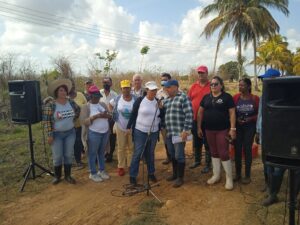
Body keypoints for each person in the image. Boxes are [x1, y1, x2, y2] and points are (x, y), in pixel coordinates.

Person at [198, 76, 236, 190]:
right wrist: (199, 127)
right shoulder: (206, 98)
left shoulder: (227, 97)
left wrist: (233, 129)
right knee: (213, 152)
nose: (213, 86)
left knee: (223, 153)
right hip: (209, 129)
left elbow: (232, 113)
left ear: (221, 85)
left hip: (222, 129)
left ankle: (229, 178)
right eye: (212, 84)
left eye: (216, 84)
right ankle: (216, 175)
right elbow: (200, 113)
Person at [43, 78, 80, 185]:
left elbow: (78, 110)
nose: (63, 92)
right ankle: (58, 176)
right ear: (56, 93)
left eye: (64, 90)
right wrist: (50, 135)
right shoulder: (51, 105)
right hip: (57, 135)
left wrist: (73, 120)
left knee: (68, 154)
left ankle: (68, 176)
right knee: (58, 155)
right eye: (60, 90)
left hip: (70, 133)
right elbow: (46, 121)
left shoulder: (71, 103)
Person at [127, 81, 164, 185]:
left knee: (150, 153)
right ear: (146, 90)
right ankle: (133, 175)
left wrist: (162, 109)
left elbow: (161, 116)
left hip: (153, 132)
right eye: (151, 90)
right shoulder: (140, 100)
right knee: (138, 153)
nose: (153, 92)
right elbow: (133, 114)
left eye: (155, 90)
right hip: (140, 131)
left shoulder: (157, 101)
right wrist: (129, 126)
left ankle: (151, 173)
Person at [163, 79, 193, 188]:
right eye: (166, 88)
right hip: (170, 133)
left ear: (175, 87)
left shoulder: (183, 98)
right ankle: (175, 174)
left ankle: (180, 178)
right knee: (171, 154)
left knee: (179, 155)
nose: (166, 90)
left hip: (180, 133)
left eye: (168, 87)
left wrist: (186, 130)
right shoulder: (166, 100)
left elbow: (189, 114)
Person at [80, 85, 111, 182]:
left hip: (105, 132)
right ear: (91, 96)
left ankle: (101, 170)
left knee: (101, 152)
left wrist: (106, 115)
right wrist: (96, 116)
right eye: (96, 97)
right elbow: (84, 121)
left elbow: (110, 115)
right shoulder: (86, 107)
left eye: (98, 96)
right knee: (92, 153)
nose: (98, 98)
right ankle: (93, 173)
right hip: (93, 133)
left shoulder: (102, 104)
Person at [233, 78, 259, 184]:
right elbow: (231, 112)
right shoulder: (235, 98)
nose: (240, 87)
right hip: (238, 127)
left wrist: (250, 119)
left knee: (247, 149)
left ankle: (247, 175)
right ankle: (238, 174)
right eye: (239, 85)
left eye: (242, 85)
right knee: (237, 150)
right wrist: (236, 119)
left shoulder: (255, 98)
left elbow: (259, 114)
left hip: (250, 127)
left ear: (248, 86)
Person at [110, 80, 137, 176]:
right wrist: (113, 114)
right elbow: (110, 104)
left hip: (132, 127)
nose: (126, 90)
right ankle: (121, 166)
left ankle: (130, 165)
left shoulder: (135, 99)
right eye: (124, 88)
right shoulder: (117, 99)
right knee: (121, 148)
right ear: (121, 89)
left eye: (127, 88)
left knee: (131, 147)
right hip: (120, 126)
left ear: (130, 88)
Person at [188, 65, 211, 173]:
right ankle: (197, 160)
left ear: (207, 74)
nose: (200, 75)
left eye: (202, 73)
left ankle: (208, 164)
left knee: (207, 141)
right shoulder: (193, 86)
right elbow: (189, 100)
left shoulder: (212, 85)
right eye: (199, 73)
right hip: (194, 119)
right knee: (196, 140)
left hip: (207, 119)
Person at [69, 79, 87, 169]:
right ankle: (71, 162)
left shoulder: (80, 95)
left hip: (80, 123)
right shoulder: (64, 97)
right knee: (70, 143)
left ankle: (78, 161)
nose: (71, 86)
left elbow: (86, 106)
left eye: (73, 84)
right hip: (68, 125)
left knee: (78, 142)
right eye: (69, 84)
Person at [100, 77, 118, 163]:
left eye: (107, 82)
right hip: (100, 120)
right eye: (104, 82)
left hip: (111, 119)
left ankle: (110, 154)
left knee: (112, 138)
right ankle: (102, 154)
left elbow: (117, 107)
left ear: (111, 84)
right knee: (102, 137)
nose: (105, 84)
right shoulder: (99, 93)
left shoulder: (115, 95)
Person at [156, 72, 172, 165]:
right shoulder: (158, 93)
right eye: (162, 80)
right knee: (166, 139)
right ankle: (169, 156)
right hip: (163, 120)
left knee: (175, 139)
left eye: (165, 80)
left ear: (170, 80)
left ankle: (176, 157)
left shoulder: (176, 91)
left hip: (174, 120)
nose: (163, 82)